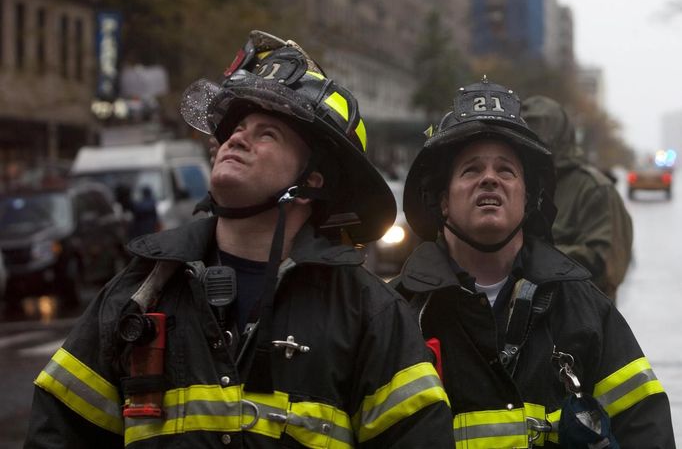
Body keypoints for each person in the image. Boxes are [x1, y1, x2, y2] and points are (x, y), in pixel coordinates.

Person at [24, 31, 452, 448]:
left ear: (312, 181)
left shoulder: (368, 315)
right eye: (237, 128)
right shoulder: (138, 294)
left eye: (267, 133)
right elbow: (58, 430)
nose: (237, 138)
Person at [392, 78, 675, 447]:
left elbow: (646, 431)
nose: (490, 179)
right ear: (442, 200)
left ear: (528, 199)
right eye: (471, 170)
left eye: (506, 170)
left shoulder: (587, 314)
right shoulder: (396, 317)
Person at [521, 95, 633, 301]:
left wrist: (529, 255)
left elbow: (604, 262)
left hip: (582, 316)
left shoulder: (594, 189)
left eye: (541, 131)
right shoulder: (518, 182)